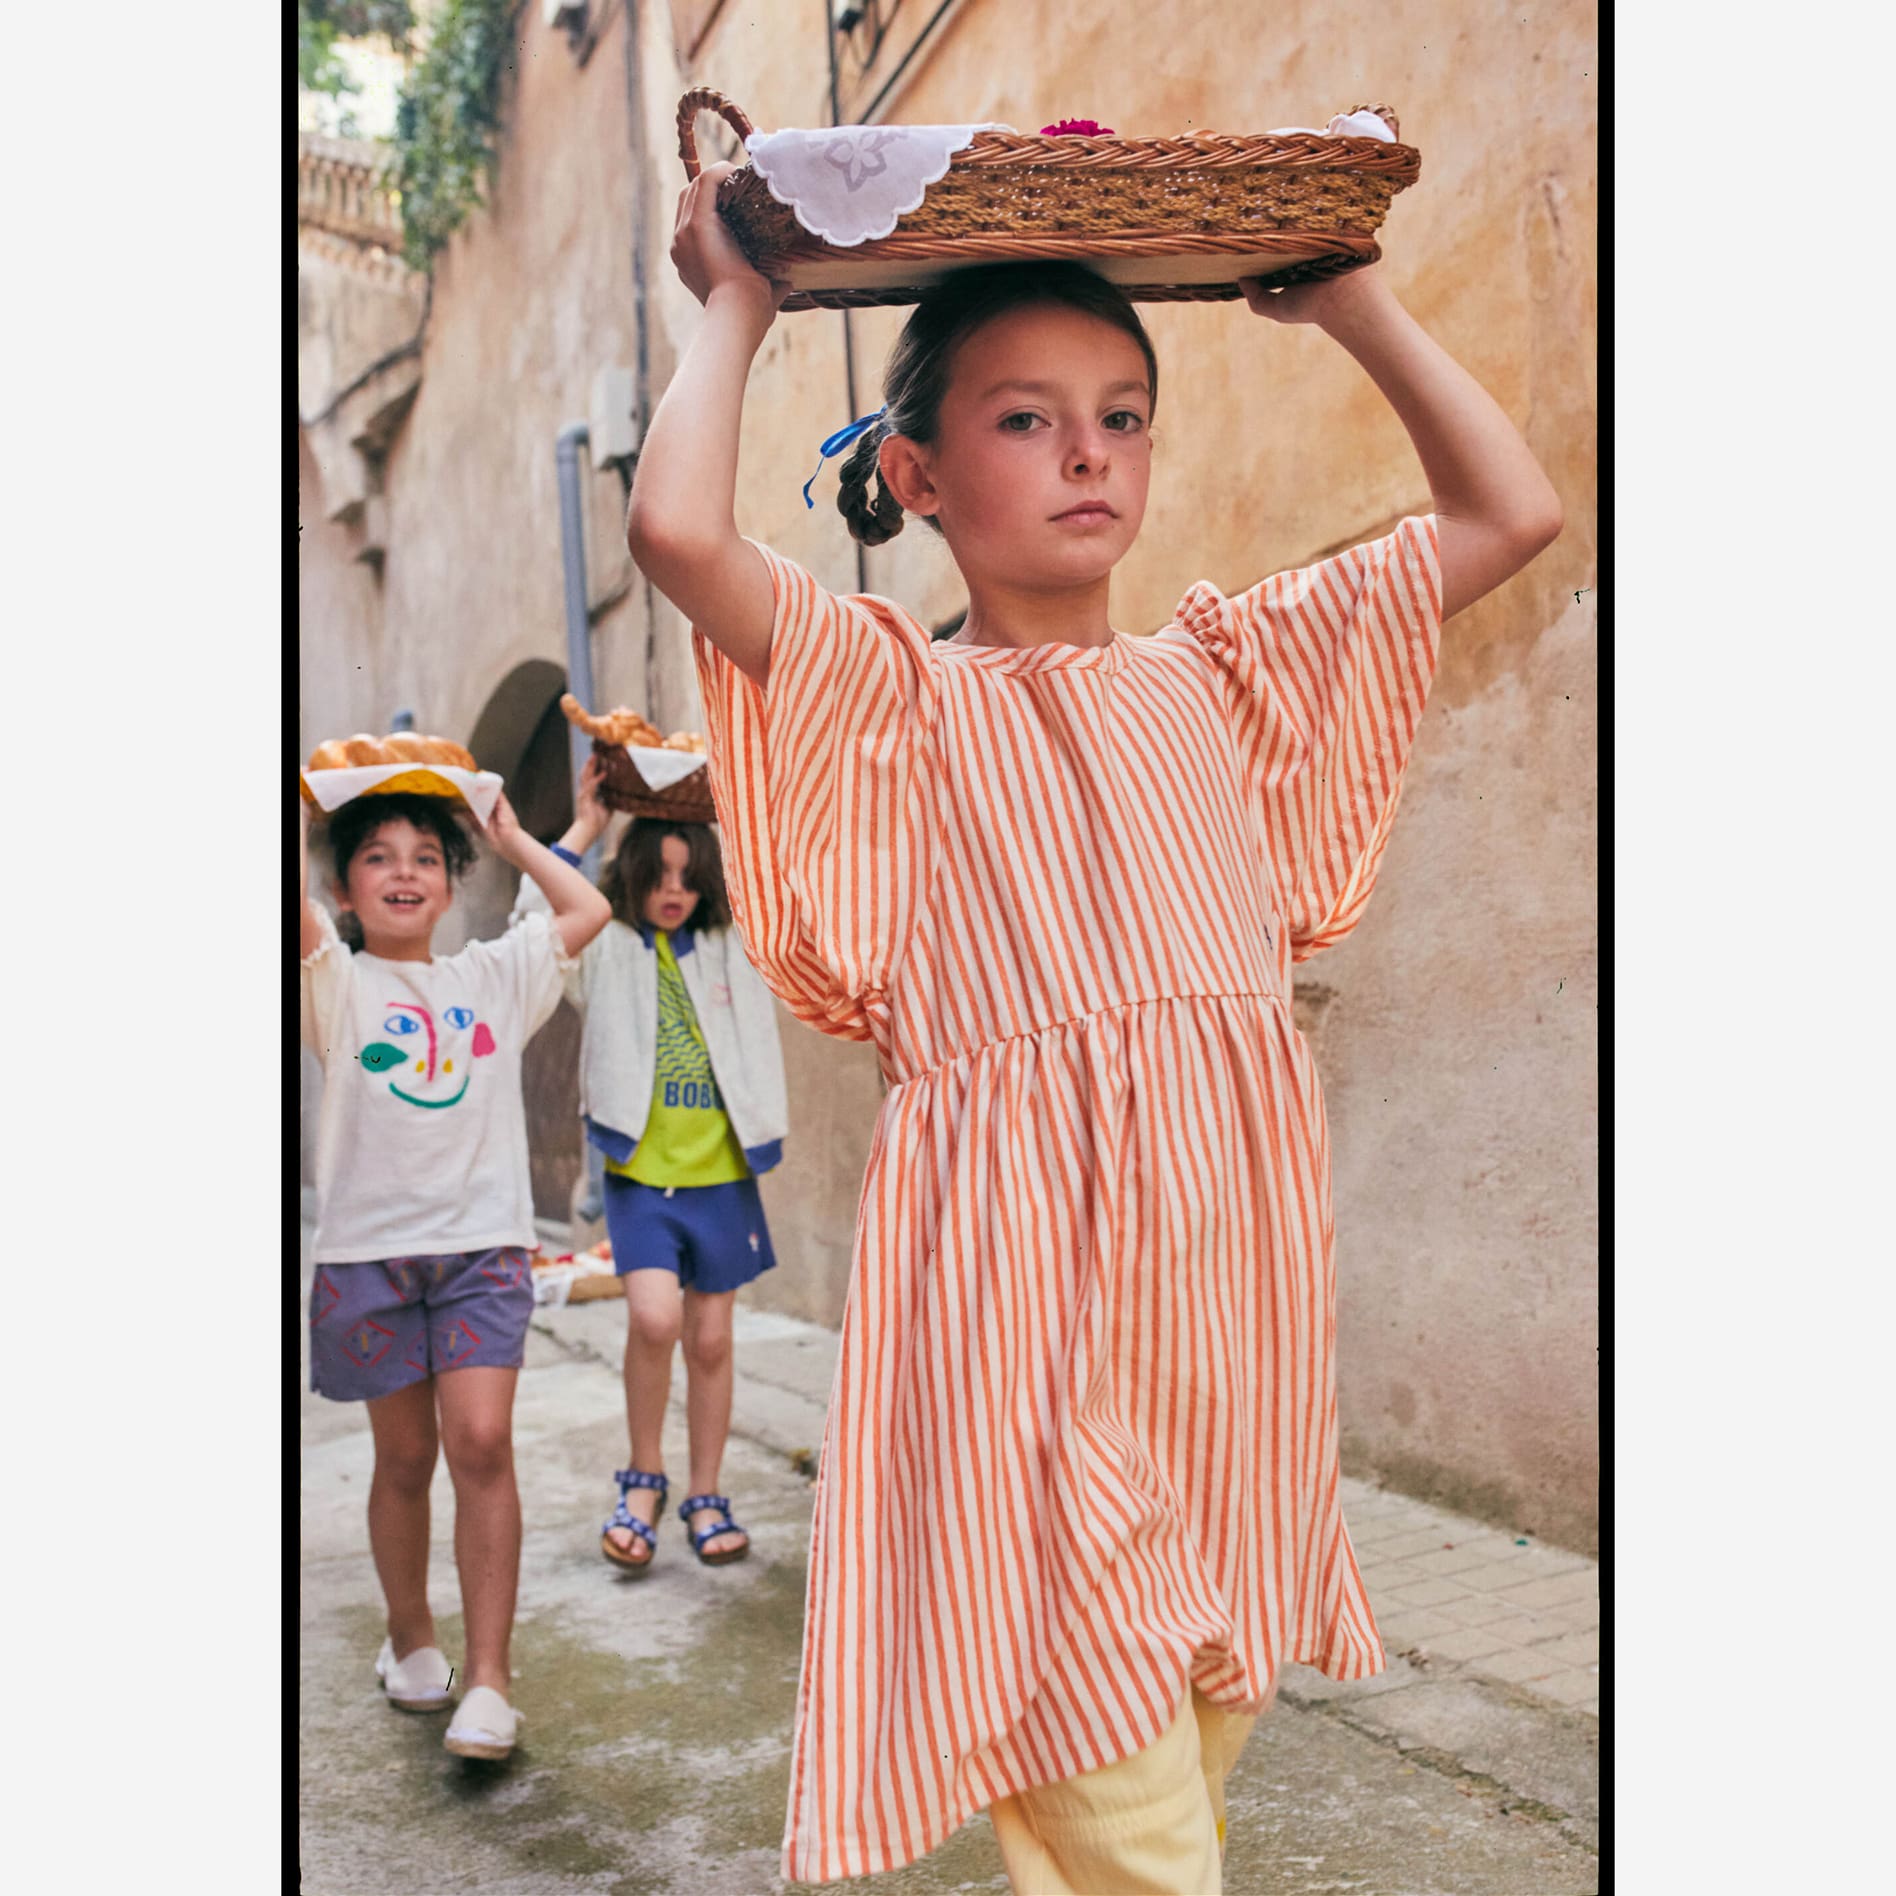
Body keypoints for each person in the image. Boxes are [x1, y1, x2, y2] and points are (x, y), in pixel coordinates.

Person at [624, 160, 1561, 1891]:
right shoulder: (891, 696)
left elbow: (1510, 515)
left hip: (1227, 1341)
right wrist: (737, 301)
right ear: (913, 474)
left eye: (1123, 416)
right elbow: (677, 535)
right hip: (1018, 1338)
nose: (1087, 452)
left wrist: (1341, 293)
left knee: (1180, 1776)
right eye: (1027, 417)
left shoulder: (1228, 674)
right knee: (1127, 1814)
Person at [299, 788, 610, 1762]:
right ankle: (410, 1641)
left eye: (426, 856)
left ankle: (489, 1680)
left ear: (450, 882)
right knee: (403, 1461)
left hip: (482, 1251)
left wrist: (517, 835)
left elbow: (586, 911)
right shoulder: (334, 983)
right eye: (378, 857)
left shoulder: (492, 976)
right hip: (370, 1256)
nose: (403, 871)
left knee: (479, 1442)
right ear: (343, 891)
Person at [511, 755, 788, 1574]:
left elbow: (778, 887)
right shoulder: (608, 946)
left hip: (723, 1176)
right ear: (633, 875)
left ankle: (705, 1491)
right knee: (655, 1320)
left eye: (688, 878)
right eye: (659, 875)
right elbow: (537, 918)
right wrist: (589, 824)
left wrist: (738, 808)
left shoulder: (734, 946)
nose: (674, 891)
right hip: (641, 1177)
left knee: (709, 1338)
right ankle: (644, 1479)